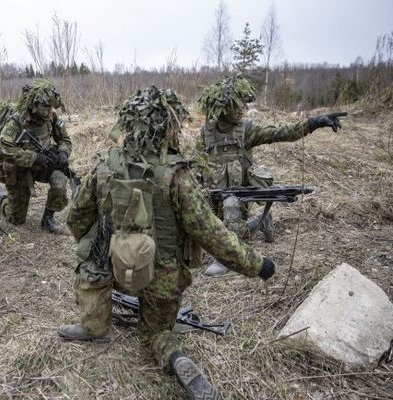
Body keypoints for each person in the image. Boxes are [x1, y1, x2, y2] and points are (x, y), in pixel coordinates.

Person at [57, 86, 276, 400]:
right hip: (162, 276)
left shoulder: (105, 164)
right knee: (157, 333)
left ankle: (94, 326)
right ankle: (175, 357)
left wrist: (105, 250)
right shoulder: (176, 175)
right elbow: (211, 233)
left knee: (91, 258)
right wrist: (258, 265)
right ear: (167, 127)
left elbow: (76, 217)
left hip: (115, 268)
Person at [197, 76, 345, 276]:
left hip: (238, 195)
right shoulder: (205, 133)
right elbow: (194, 162)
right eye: (235, 106)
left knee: (231, 209)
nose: (241, 110)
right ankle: (262, 221)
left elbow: (281, 133)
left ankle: (225, 260)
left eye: (243, 105)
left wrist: (313, 123)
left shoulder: (246, 131)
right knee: (206, 226)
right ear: (222, 108)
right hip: (213, 193)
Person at [0, 79, 72, 234]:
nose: (49, 111)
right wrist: (32, 157)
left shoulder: (51, 118)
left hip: (44, 164)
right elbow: (5, 148)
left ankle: (48, 219)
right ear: (34, 105)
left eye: (51, 107)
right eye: (45, 107)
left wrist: (63, 152)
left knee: (60, 181)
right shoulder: (16, 121)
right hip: (20, 169)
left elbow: (65, 139)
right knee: (16, 219)